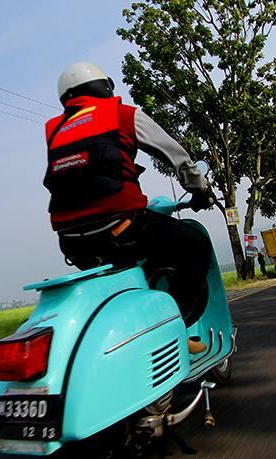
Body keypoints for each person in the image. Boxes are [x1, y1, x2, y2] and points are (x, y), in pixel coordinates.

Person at [43, 62, 217, 354]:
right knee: (195, 244)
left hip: (71, 240)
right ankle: (172, 332)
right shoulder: (122, 115)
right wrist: (200, 189)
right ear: (104, 87)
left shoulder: (55, 130)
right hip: (121, 227)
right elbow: (176, 155)